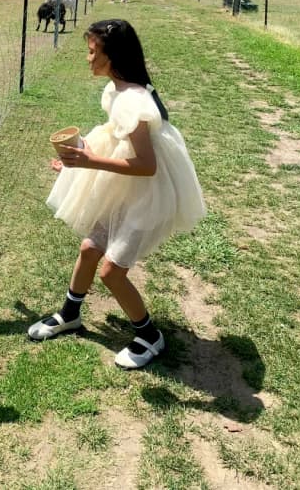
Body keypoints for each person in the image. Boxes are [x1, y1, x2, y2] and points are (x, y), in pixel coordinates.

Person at [28, 19, 206, 369]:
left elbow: (146, 165)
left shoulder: (134, 101)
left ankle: (150, 335)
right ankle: (70, 313)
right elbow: (113, 136)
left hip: (149, 193)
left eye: (92, 52)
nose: (87, 58)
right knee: (90, 248)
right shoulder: (119, 91)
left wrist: (90, 160)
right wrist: (78, 156)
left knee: (111, 271)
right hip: (127, 188)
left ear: (113, 55)